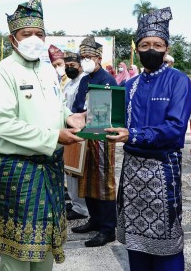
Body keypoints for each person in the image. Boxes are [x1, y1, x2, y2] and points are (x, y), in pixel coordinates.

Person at [0, 0, 85, 271]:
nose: (34, 39)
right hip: (16, 170)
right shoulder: (1, 74)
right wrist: (54, 137)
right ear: (12, 38)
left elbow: (55, 107)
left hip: (49, 168)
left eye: (39, 34)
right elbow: (3, 124)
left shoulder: (47, 70)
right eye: (26, 33)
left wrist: (70, 117)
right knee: (17, 251)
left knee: (45, 249)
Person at [105, 7, 191, 271]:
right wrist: (93, 121)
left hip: (162, 170)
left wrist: (134, 134)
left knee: (166, 242)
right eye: (145, 44)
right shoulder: (128, 86)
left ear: (166, 47)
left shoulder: (178, 81)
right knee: (135, 241)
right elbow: (113, 120)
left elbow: (175, 129)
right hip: (131, 172)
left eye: (157, 44)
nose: (151, 49)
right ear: (137, 48)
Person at [71, 36, 118, 247]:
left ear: (98, 58)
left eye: (88, 57)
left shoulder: (107, 80)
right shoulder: (84, 79)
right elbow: (77, 107)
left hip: (101, 138)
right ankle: (95, 220)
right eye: (83, 57)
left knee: (102, 181)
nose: (85, 61)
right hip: (84, 135)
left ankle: (108, 229)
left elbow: (109, 111)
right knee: (86, 179)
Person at [61, 50, 88, 221]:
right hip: (67, 127)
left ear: (80, 66)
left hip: (78, 128)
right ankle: (74, 202)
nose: (70, 68)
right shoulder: (69, 83)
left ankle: (81, 207)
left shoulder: (83, 81)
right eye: (67, 66)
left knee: (77, 170)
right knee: (69, 170)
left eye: (73, 65)